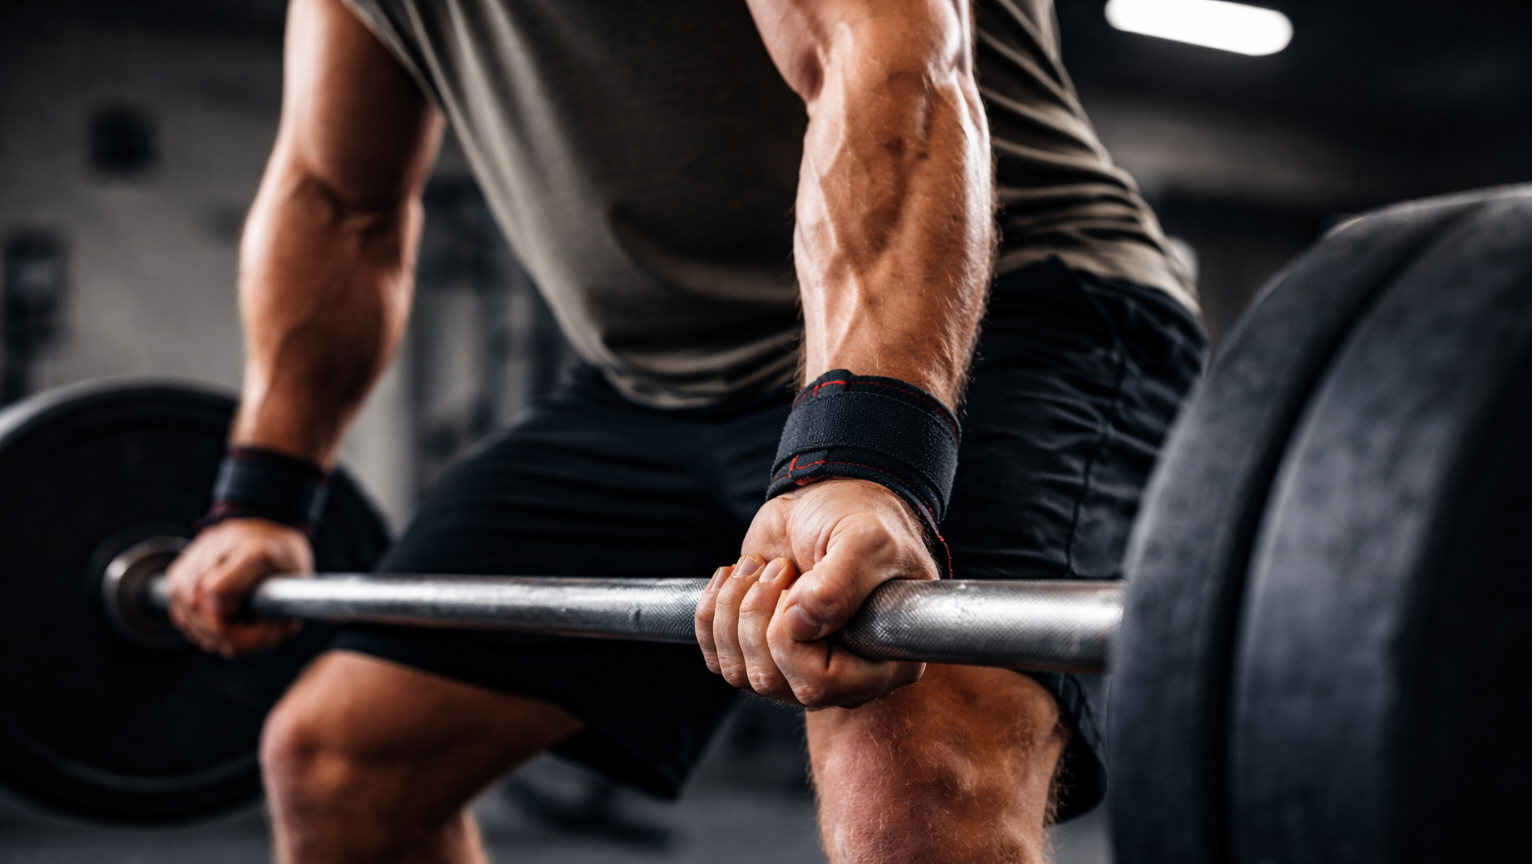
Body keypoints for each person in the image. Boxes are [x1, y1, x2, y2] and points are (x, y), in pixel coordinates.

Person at [166, 0, 1205, 861]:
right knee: (341, 761)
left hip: (999, 308)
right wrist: (266, 496)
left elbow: (887, 61)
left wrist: (865, 455)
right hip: (656, 382)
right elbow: (337, 198)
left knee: (912, 786)